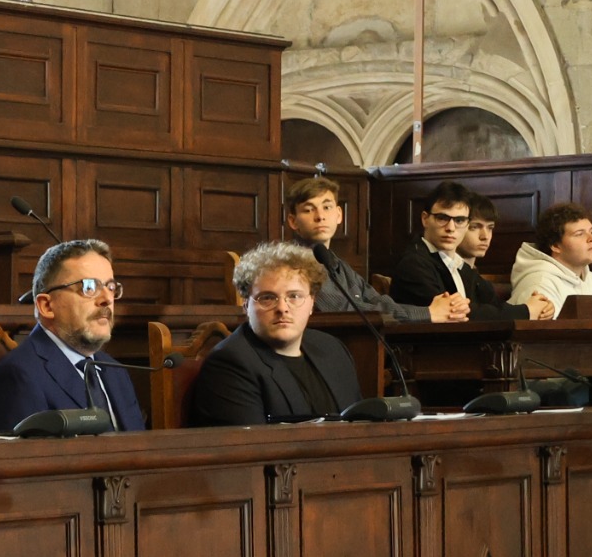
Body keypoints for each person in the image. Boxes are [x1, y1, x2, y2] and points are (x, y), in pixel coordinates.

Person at [0, 238, 144, 434]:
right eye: (89, 287)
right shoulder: (19, 376)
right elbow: (24, 462)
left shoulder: (115, 372)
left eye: (111, 287)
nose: (107, 299)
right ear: (46, 306)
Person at [189, 240, 365, 425]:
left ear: (312, 302)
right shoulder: (230, 363)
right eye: (267, 298)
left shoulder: (332, 349)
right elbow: (251, 448)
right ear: (246, 305)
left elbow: (360, 426)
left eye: (294, 296)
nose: (282, 308)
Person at [281, 174, 463, 324]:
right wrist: (428, 314)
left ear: (338, 215)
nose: (320, 216)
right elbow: (347, 311)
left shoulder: (336, 262)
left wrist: (431, 310)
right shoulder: (295, 267)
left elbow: (376, 300)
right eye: (308, 210)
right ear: (292, 221)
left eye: (327, 207)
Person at [386, 179, 553, 320]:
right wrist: (526, 311)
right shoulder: (414, 263)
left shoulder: (459, 266)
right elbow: (458, 315)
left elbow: (495, 307)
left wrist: (541, 308)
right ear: (425, 219)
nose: (451, 228)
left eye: (459, 220)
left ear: (466, 224)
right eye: (442, 218)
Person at [512, 201, 592, 320]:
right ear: (555, 245)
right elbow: (540, 336)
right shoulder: (539, 283)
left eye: (591, 231)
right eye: (579, 234)